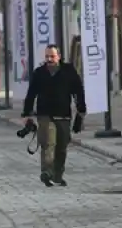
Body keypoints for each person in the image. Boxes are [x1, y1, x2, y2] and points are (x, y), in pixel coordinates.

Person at [22, 44, 86, 187]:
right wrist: (27, 113)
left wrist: (81, 112)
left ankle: (58, 175)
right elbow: (31, 94)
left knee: (62, 147)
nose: (49, 59)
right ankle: (46, 172)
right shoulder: (39, 73)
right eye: (47, 57)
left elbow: (78, 91)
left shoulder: (68, 71)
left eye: (52, 56)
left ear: (59, 56)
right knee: (48, 144)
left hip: (63, 115)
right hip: (45, 114)